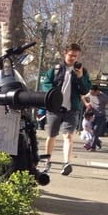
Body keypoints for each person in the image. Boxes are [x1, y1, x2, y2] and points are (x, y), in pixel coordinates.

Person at [41, 42, 91, 175]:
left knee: (68, 136)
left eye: (76, 56)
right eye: (71, 55)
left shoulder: (82, 72)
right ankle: (47, 161)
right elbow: (46, 85)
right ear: (65, 53)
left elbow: (85, 90)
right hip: (55, 108)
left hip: (72, 109)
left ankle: (67, 163)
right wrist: (52, 95)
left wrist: (80, 77)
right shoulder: (55, 70)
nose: (73, 58)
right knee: (51, 136)